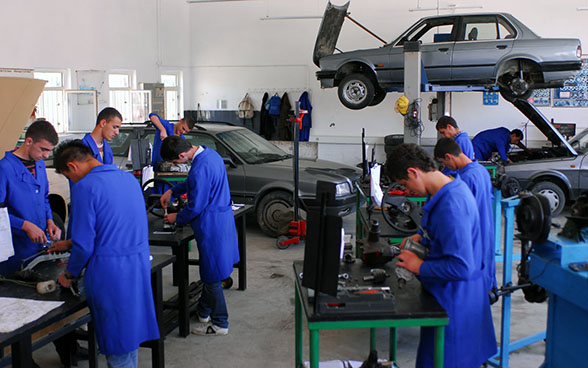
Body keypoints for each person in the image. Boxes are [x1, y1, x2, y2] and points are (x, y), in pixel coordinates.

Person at [385, 143, 496, 368]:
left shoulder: (452, 205)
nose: (409, 192)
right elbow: (440, 233)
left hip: (455, 304)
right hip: (448, 297)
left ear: (413, 172)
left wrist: (418, 266)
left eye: (405, 184)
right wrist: (420, 237)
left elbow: (461, 266)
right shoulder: (444, 190)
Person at [52, 140, 159, 368]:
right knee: (129, 338)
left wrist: (69, 274)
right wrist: (69, 243)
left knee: (116, 342)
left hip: (110, 274)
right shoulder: (128, 179)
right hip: (137, 267)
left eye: (67, 176)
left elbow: (84, 246)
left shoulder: (85, 187)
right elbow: (115, 225)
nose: (71, 181)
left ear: (72, 166)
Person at [159, 136, 239, 336]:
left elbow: (195, 207)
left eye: (175, 162)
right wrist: (173, 191)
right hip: (222, 218)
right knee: (213, 270)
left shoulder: (199, 169)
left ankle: (220, 323)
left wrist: (176, 217)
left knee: (211, 276)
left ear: (182, 155)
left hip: (211, 224)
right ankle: (203, 311)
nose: (176, 165)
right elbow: (194, 182)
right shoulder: (210, 154)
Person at [434, 138, 497, 293]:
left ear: (449, 157)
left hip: (473, 239)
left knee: (471, 287)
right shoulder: (482, 171)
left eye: (444, 163)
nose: (445, 167)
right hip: (487, 234)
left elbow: (460, 217)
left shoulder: (465, 179)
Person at [0, 120, 61, 276]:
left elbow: (44, 197)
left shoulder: (39, 164)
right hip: (16, 249)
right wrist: (24, 225)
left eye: (49, 151)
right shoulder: (4, 168)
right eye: (43, 149)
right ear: (28, 141)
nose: (46, 155)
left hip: (38, 247)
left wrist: (50, 220)